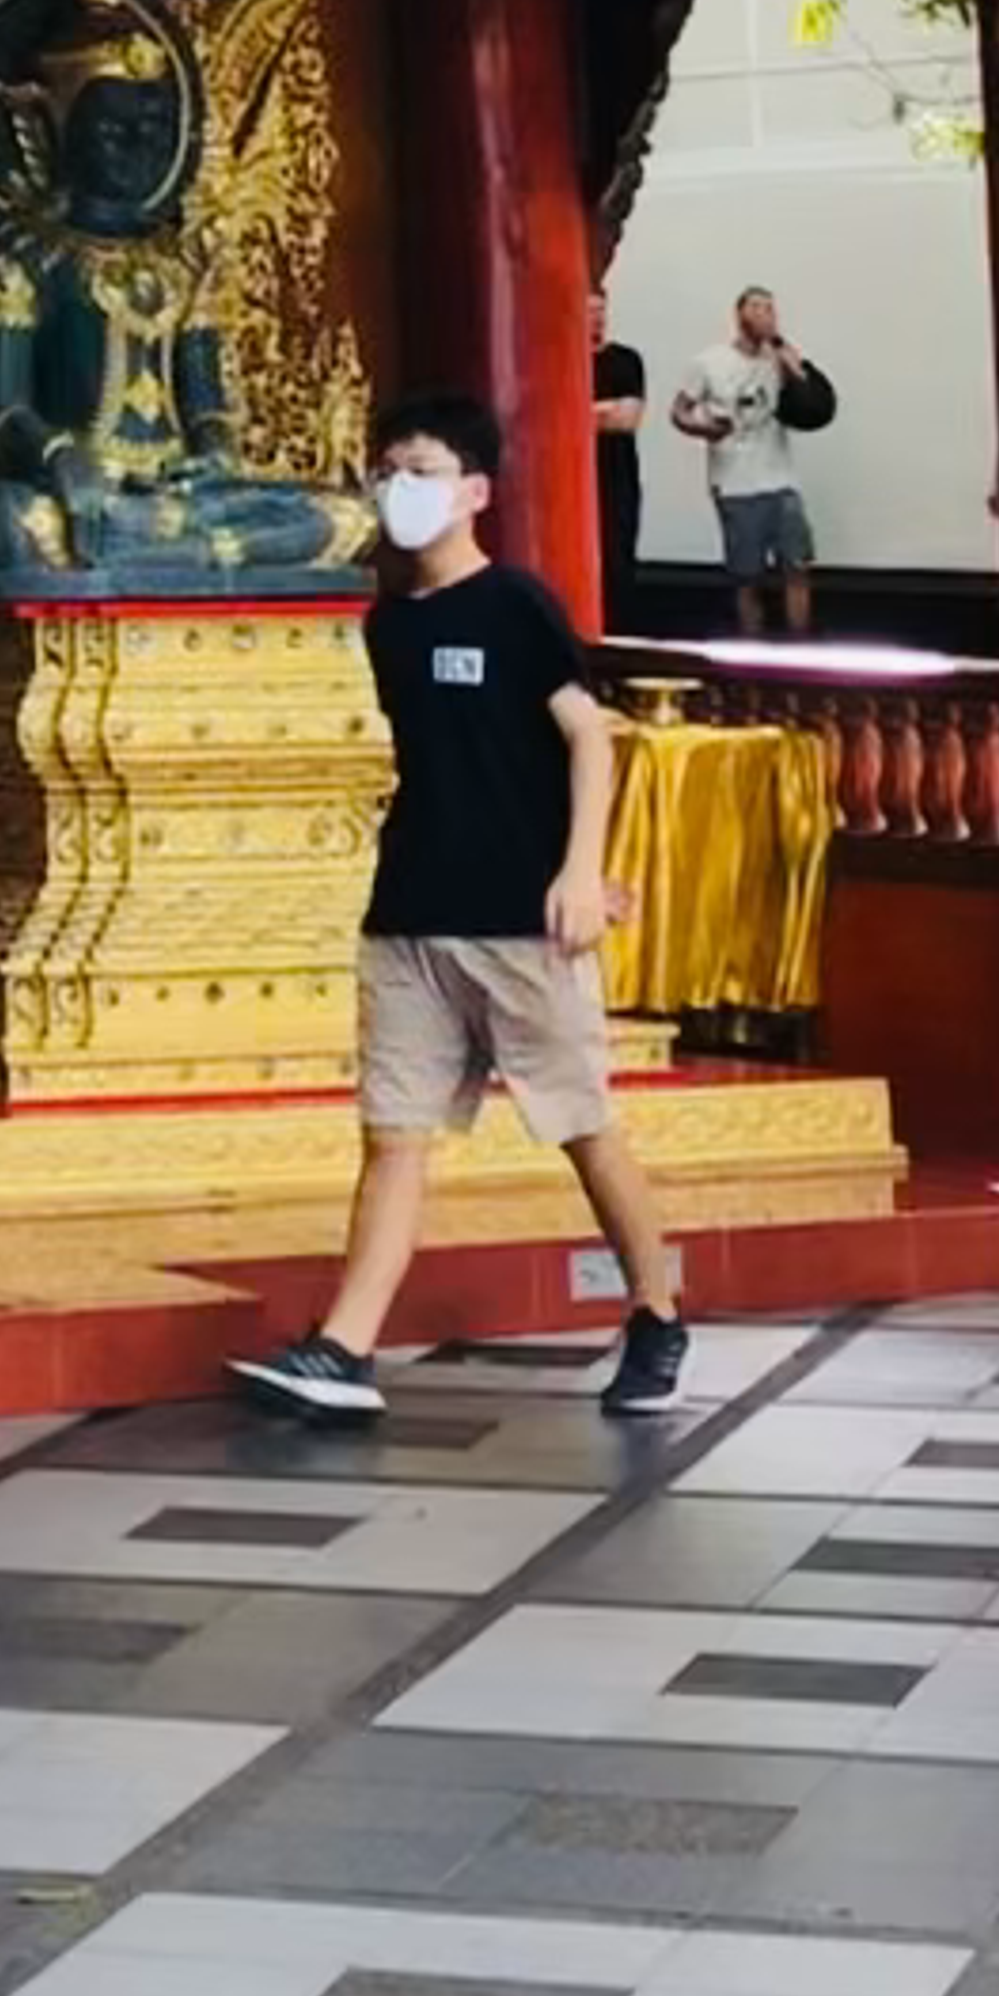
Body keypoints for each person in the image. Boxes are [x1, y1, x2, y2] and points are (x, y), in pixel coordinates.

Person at [231, 390, 690, 1426]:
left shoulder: (516, 604)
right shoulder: (388, 623)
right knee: (394, 1135)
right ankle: (344, 1347)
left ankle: (657, 1310)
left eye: (425, 466)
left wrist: (579, 871)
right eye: (391, 465)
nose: (403, 485)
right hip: (410, 914)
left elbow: (590, 736)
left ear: (474, 490)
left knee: (581, 1125)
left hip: (519, 920)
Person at [672, 286, 835, 639]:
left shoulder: (776, 360)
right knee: (747, 577)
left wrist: (794, 365)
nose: (764, 315)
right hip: (735, 483)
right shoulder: (709, 362)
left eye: (770, 310)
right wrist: (703, 428)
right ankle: (751, 647)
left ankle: (800, 645)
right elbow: (679, 411)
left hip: (780, 479)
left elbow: (815, 406)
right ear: (739, 314)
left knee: (797, 566)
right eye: (757, 308)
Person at [592, 325, 649, 616]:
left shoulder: (625, 360)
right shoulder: (558, 359)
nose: (596, 318)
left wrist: (578, 411)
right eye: (589, 310)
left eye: (600, 310)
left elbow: (627, 419)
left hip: (617, 476)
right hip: (570, 481)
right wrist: (604, 409)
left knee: (617, 556)